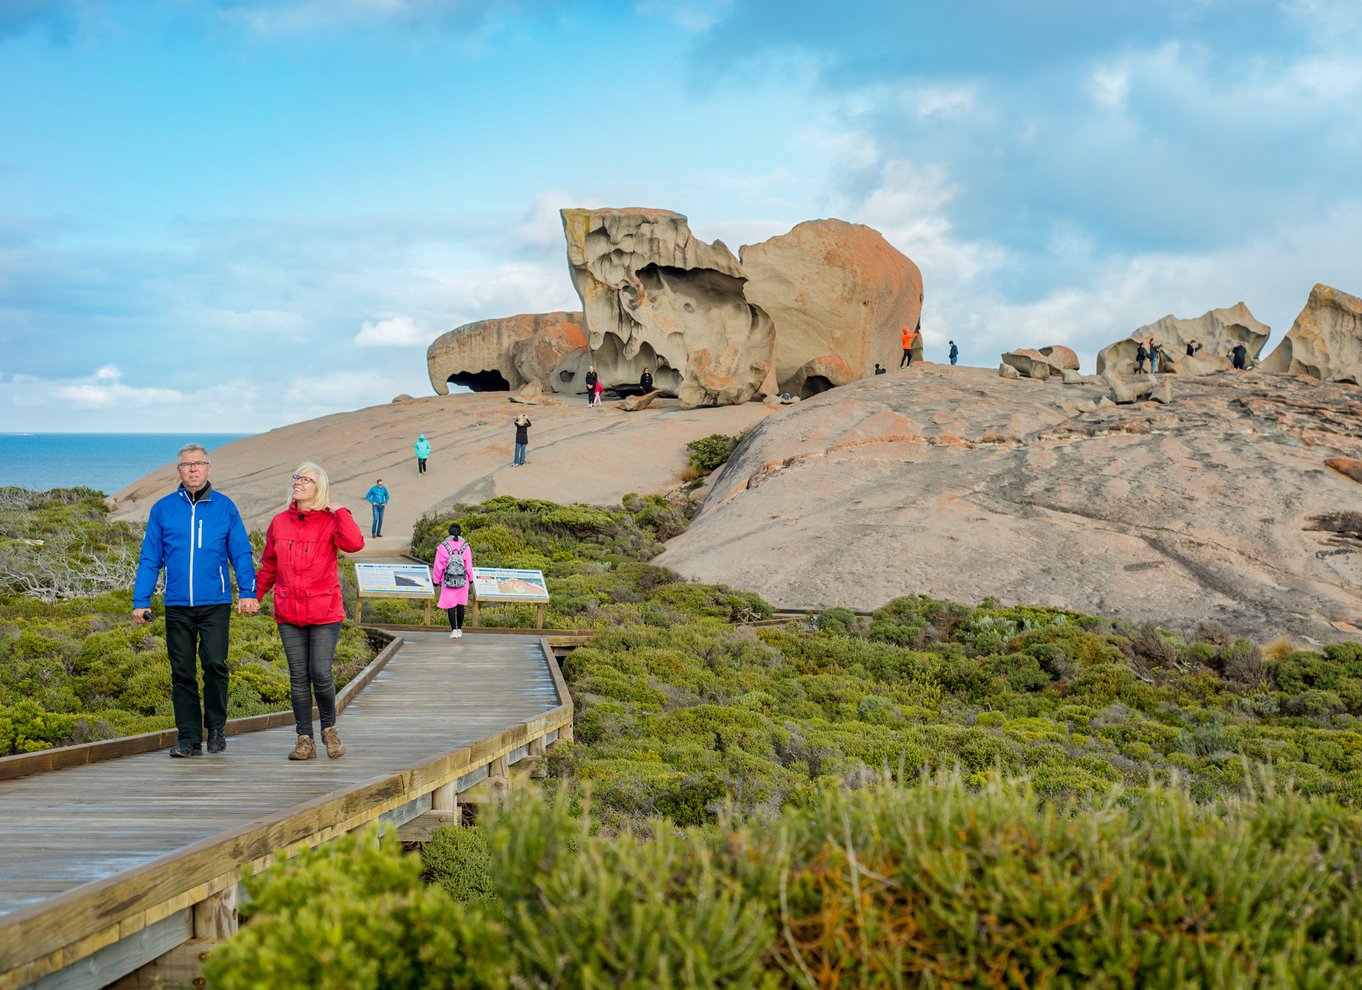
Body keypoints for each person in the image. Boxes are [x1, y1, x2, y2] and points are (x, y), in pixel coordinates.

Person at [133, 443, 258, 758]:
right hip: (177, 604)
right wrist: (141, 600)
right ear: (178, 470)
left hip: (215, 602)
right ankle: (189, 738)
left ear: (208, 468)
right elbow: (150, 558)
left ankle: (216, 729)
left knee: (215, 665)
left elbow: (240, 552)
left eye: (198, 464)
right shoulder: (163, 508)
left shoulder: (225, 507)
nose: (192, 469)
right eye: (186, 464)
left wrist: (248, 591)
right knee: (182, 671)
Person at [256, 463, 364, 761]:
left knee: (319, 671)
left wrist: (341, 511)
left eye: (306, 479)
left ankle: (329, 730)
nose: (298, 483)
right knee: (298, 677)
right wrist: (254, 595)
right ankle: (304, 739)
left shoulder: (331, 521)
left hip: (325, 612)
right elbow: (269, 565)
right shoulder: (279, 522)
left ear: (319, 488)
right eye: (296, 477)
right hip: (288, 612)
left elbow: (354, 544)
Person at [432, 523, 473, 639]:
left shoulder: (442, 547)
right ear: (460, 533)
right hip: (462, 580)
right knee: (460, 605)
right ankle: (460, 629)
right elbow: (469, 565)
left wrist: (436, 581)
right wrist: (471, 579)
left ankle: (453, 630)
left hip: (448, 580)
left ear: (449, 533)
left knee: (451, 605)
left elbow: (438, 566)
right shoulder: (466, 546)